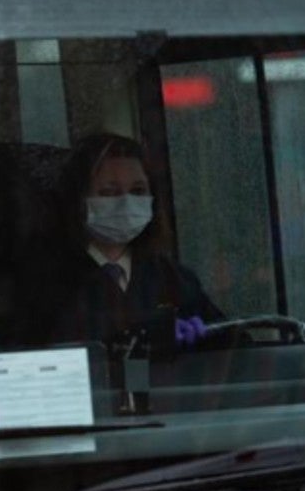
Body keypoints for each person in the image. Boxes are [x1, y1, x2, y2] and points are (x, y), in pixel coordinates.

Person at [49, 133, 226, 348]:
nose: (126, 202)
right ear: (78, 199)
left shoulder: (172, 278)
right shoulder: (47, 279)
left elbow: (233, 346)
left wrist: (207, 340)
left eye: (138, 191)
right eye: (109, 192)